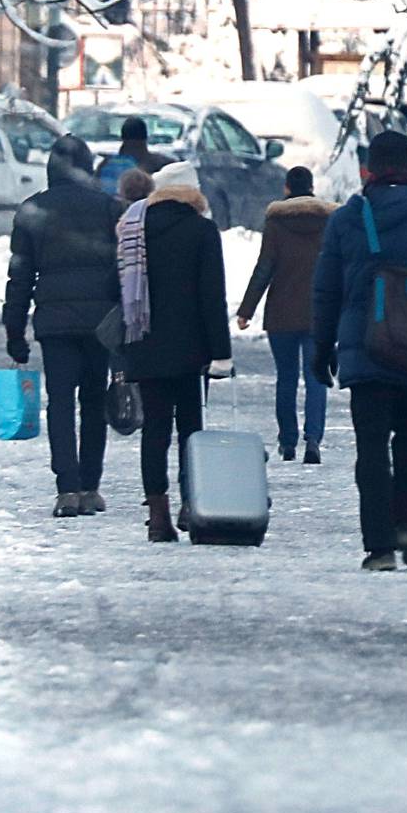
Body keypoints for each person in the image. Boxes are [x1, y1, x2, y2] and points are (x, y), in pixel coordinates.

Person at [313, 127, 407, 571]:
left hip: (365, 350)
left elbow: (326, 291)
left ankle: (379, 546)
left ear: (369, 170)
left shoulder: (347, 219)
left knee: (372, 446)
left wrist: (323, 348)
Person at [3, 132, 120, 517]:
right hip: (100, 324)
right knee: (94, 401)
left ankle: (66, 488)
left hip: (54, 324)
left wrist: (14, 329)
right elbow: (124, 269)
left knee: (60, 404)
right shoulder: (109, 208)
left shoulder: (33, 210)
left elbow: (19, 275)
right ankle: (91, 485)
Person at [116, 158, 231, 543]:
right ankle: (191, 504)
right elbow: (212, 296)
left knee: (155, 432)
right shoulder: (202, 231)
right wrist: (221, 353)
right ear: (193, 193)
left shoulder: (134, 229)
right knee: (190, 431)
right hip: (190, 349)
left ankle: (158, 516)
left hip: (144, 344)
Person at [237, 164, 332, 462]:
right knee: (317, 377)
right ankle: (313, 439)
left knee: (286, 378)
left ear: (287, 188)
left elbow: (264, 267)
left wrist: (246, 309)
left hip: (282, 314)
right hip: (319, 314)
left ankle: (288, 441)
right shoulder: (329, 223)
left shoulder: (277, 224)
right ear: (312, 188)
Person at [98, 112, 167, 196]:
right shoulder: (159, 164)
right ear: (146, 137)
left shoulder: (105, 164)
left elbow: (95, 189)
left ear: (122, 137)